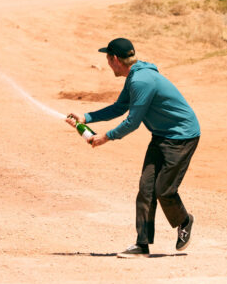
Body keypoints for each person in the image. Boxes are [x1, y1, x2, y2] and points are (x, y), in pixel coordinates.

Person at [67, 38, 200, 258]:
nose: (108, 64)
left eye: (108, 59)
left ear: (115, 59)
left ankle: (184, 221)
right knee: (146, 189)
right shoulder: (134, 78)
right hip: (161, 135)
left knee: (164, 190)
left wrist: (106, 137)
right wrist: (87, 118)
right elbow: (120, 107)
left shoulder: (141, 81)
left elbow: (132, 121)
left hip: (182, 137)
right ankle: (142, 244)